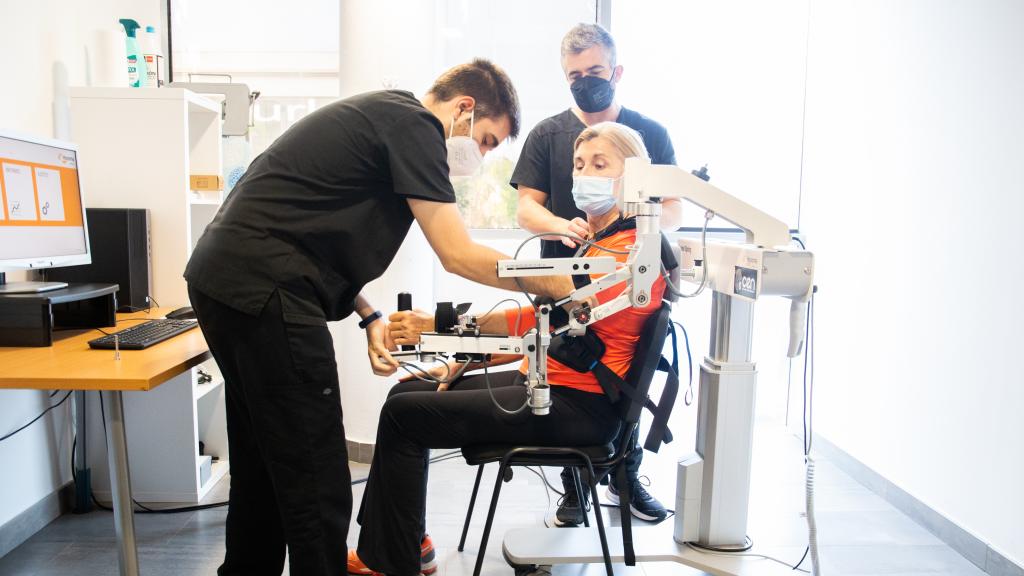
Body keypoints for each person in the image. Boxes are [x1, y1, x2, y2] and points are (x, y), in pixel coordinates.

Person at [183, 59, 574, 576]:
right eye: (485, 141)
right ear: (463, 108)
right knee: (316, 475)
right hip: (266, 290)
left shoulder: (382, 117)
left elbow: (315, 232)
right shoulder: (416, 128)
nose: (478, 157)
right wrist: (542, 279)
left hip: (226, 283)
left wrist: (367, 315)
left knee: (264, 462)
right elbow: (456, 252)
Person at [349, 122, 666, 576]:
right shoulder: (607, 245)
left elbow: (552, 301)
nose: (584, 174)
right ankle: (408, 543)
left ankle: (389, 562)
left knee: (403, 418)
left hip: (579, 407)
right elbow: (541, 322)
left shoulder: (632, 256)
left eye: (600, 164)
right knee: (403, 394)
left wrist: (461, 285)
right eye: (579, 165)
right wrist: (447, 335)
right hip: (550, 386)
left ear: (634, 178)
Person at [512, 22, 679, 526]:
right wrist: (564, 227)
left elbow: (671, 207)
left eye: (595, 71)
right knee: (569, 369)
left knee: (622, 376)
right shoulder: (547, 134)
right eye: (574, 75)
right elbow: (525, 208)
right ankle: (575, 487)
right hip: (564, 278)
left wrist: (633, 236)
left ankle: (626, 477)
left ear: (617, 71)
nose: (586, 81)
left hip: (628, 277)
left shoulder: (649, 133)